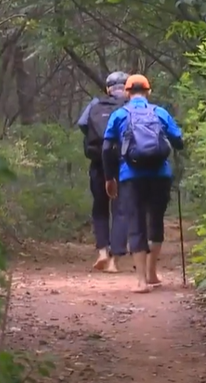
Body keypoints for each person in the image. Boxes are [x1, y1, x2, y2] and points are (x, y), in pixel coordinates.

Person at [102, 74, 184, 293]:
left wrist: (110, 178)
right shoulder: (160, 112)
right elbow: (179, 141)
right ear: (149, 92)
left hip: (131, 176)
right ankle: (152, 273)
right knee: (155, 221)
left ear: (127, 93)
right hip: (160, 175)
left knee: (136, 223)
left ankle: (140, 281)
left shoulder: (119, 114)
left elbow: (106, 148)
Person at [76, 71, 129, 273]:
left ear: (108, 88)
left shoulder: (95, 103)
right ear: (126, 87)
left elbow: (82, 124)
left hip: (98, 162)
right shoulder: (128, 107)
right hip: (123, 163)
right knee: (120, 210)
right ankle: (115, 260)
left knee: (100, 207)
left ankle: (102, 252)